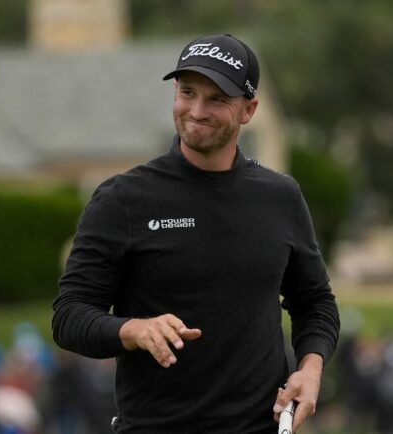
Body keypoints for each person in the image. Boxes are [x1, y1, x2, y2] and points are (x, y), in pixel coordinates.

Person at [52, 33, 340, 433]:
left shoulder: (280, 196)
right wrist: (133, 329)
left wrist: (310, 369)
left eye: (217, 99)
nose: (197, 110)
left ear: (249, 110)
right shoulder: (123, 199)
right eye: (187, 93)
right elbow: (69, 316)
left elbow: (315, 302)